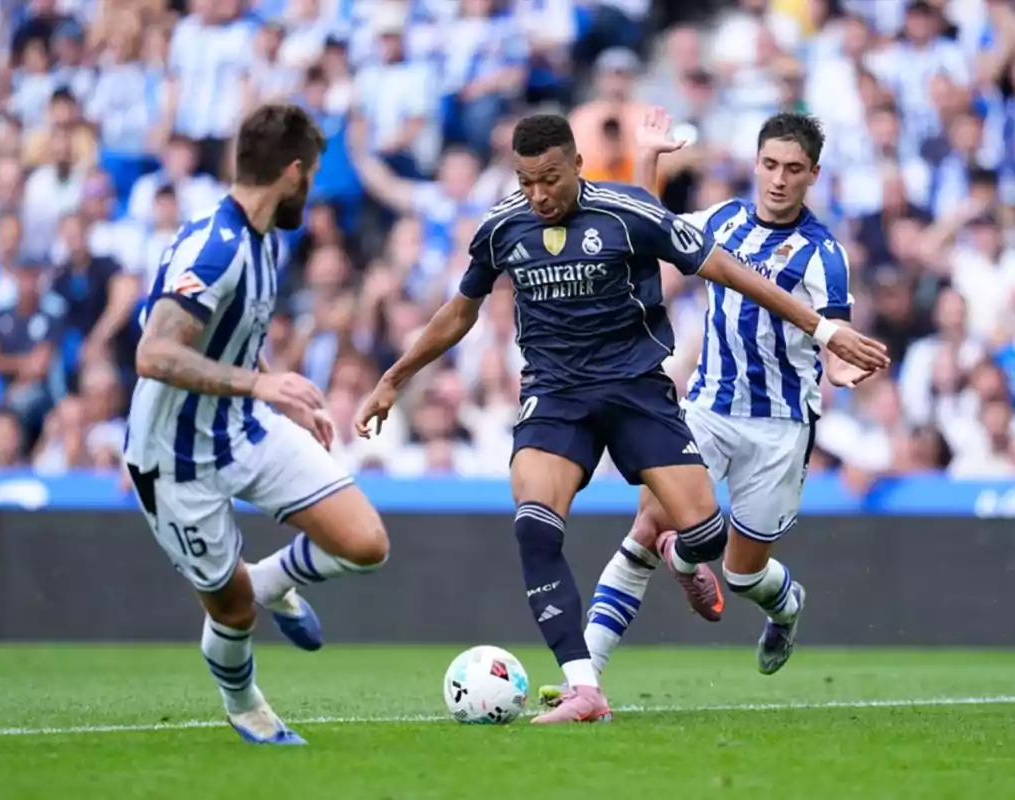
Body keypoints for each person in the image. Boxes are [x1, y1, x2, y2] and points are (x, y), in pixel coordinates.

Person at [355, 113, 888, 724]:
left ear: (577, 166)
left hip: (671, 399)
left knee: (723, 555)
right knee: (538, 526)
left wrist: (827, 337)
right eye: (526, 181)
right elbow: (461, 309)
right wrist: (393, 378)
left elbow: (682, 246)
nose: (538, 195)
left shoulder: (823, 252)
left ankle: (756, 591)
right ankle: (585, 685)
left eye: (549, 179)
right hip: (586, 397)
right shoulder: (505, 226)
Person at [540, 107, 874, 708]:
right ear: (755, 164)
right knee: (645, 530)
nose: (777, 179)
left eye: (792, 169)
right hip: (706, 410)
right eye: (769, 164)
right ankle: (581, 682)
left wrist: (846, 366)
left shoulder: (824, 255)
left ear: (813, 175)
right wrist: (648, 158)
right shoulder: (722, 219)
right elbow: (645, 229)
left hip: (779, 427)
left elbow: (837, 336)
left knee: (744, 573)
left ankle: (785, 603)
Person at [124, 104, 390, 746]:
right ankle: (246, 705)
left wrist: (275, 394)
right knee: (231, 609)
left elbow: (231, 339)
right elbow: (153, 353)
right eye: (314, 173)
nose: (314, 186)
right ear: (293, 172)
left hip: (244, 428)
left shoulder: (264, 235)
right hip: (175, 459)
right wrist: (261, 384)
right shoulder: (216, 249)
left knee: (365, 543)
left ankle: (271, 580)